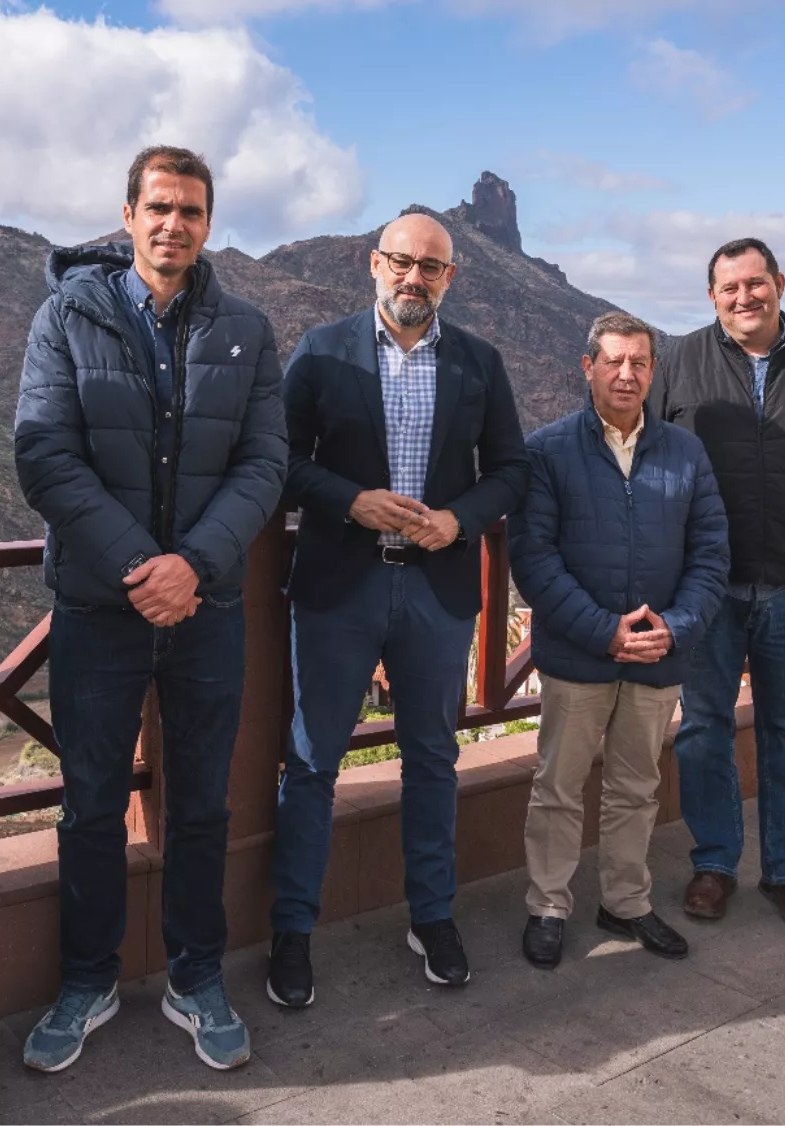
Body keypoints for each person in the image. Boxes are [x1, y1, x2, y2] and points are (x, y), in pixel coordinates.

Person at [13, 146, 286, 1073]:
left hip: (208, 611)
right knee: (90, 803)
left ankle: (195, 976)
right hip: (98, 606)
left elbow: (264, 463)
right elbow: (44, 456)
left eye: (192, 210)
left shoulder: (246, 327)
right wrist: (142, 566)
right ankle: (86, 980)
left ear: (209, 224)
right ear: (126, 215)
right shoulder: (64, 318)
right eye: (159, 207)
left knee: (202, 803)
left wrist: (195, 566)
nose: (175, 224)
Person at [268, 212, 530, 1003]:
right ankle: (292, 929)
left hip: (437, 590)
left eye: (432, 267)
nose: (415, 278)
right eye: (402, 263)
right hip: (338, 587)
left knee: (433, 757)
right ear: (372, 264)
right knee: (313, 761)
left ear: (451, 278)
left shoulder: (479, 363)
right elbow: (277, 462)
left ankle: (433, 915)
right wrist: (351, 501)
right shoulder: (320, 351)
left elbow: (512, 470)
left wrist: (460, 520)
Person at [647, 237, 785, 927]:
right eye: (729, 288)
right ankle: (714, 863)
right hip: (706, 590)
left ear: (779, 282)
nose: (745, 297)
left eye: (756, 283)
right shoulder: (679, 362)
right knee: (704, 729)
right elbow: (647, 455)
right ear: (712, 297)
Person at [511, 312, 730, 969]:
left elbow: (711, 553)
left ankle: (626, 902)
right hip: (580, 656)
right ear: (588, 368)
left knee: (637, 787)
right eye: (614, 361)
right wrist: (603, 632)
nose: (627, 374)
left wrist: (676, 627)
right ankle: (548, 904)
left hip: (658, 656)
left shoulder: (685, 453)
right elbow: (534, 559)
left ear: (652, 371)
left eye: (639, 362)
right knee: (558, 784)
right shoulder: (548, 450)